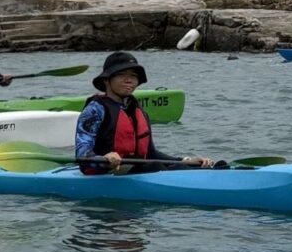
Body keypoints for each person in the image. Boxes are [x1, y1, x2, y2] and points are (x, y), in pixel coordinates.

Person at [76, 51, 209, 173]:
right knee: (155, 167)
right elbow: (82, 155)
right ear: (106, 80)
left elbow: (151, 154)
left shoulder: (138, 111)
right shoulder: (94, 110)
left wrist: (185, 161)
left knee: (186, 166)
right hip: (107, 172)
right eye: (121, 75)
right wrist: (105, 159)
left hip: (140, 170)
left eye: (133, 76)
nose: (129, 80)